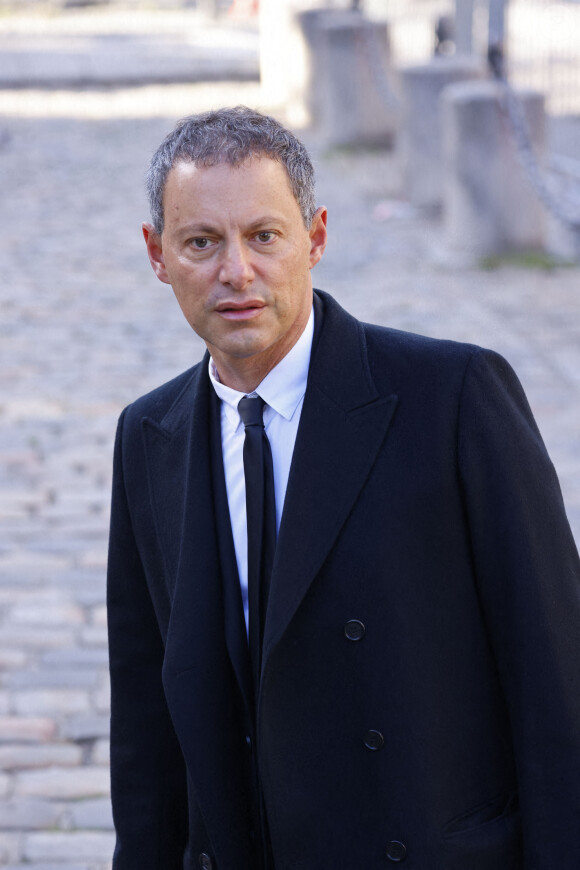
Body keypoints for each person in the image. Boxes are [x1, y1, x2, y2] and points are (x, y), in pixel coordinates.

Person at [106, 106, 580, 870]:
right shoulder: (148, 436)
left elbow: (556, 682)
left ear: (315, 238)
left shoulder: (452, 398)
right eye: (202, 243)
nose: (236, 272)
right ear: (158, 255)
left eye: (264, 236)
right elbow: (147, 724)